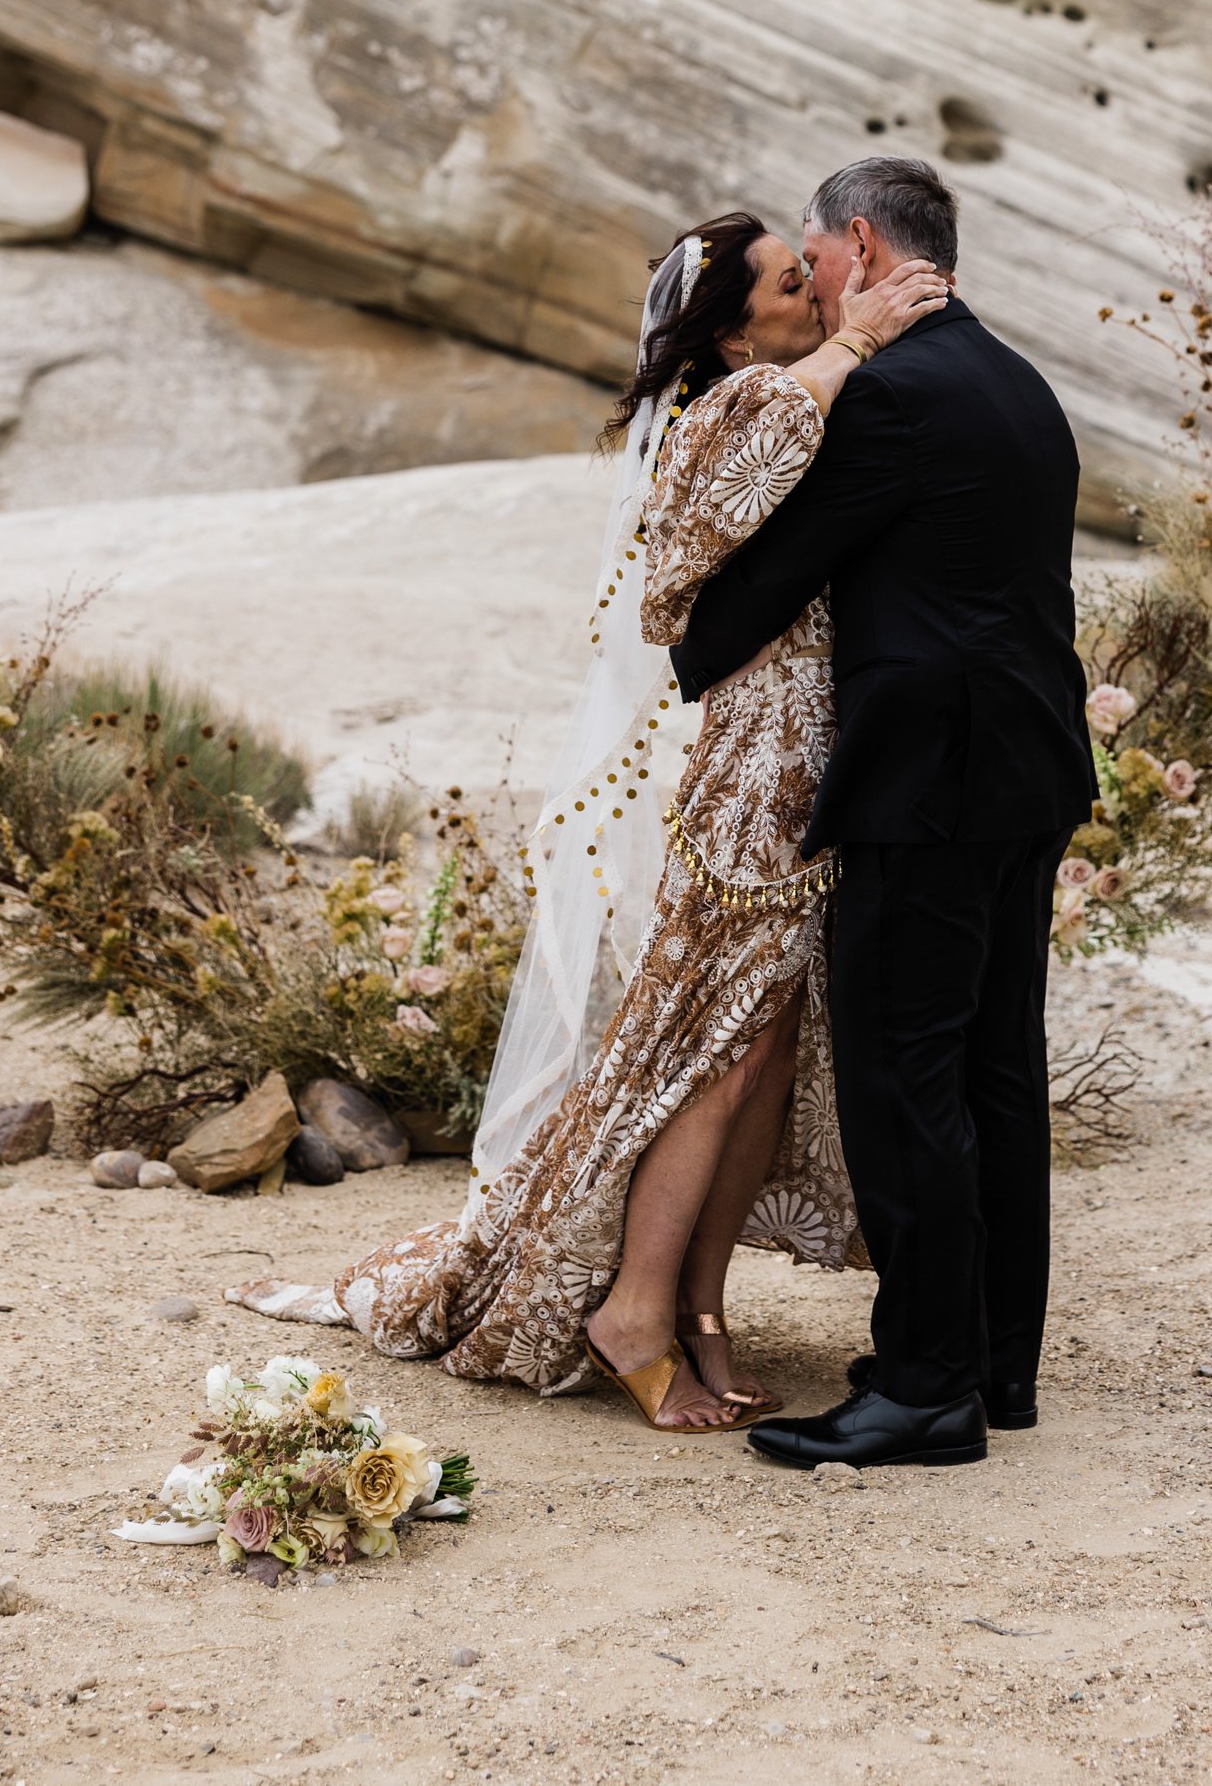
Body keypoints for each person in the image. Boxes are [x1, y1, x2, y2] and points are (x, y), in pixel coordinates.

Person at [228, 212, 947, 1434]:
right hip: (753, 788)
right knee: (711, 1063)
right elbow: (690, 551)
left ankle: (698, 1309)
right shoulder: (738, 409)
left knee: (763, 1059)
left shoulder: (800, 398)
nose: (816, 296)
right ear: (729, 333)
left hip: (816, 781)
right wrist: (858, 342)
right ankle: (630, 1311)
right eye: (788, 285)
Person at [672, 156, 1096, 1471]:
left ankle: (919, 1391)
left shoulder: (895, 395)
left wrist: (690, 643)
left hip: (930, 784)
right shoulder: (1013, 381)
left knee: (902, 1080)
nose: (809, 279)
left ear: (858, 244)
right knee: (992, 1073)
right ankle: (989, 1367)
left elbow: (776, 564)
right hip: (1026, 773)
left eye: (813, 254)